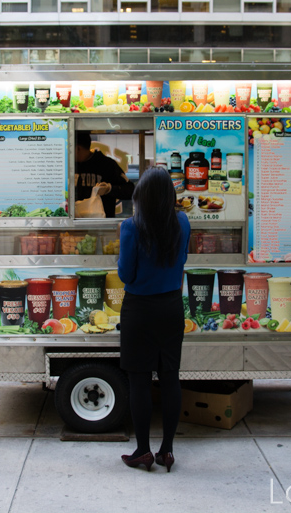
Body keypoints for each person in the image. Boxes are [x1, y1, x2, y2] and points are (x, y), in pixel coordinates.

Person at [117, 167, 191, 472]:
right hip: (172, 307)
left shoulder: (131, 227)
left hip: (139, 310)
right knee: (170, 377)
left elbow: (126, 274)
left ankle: (143, 451)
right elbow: (183, 260)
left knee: (139, 381)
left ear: (142, 198)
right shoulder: (183, 222)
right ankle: (167, 451)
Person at [74, 132, 134, 218]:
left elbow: (130, 190)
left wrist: (109, 189)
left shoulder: (106, 164)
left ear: (78, 148)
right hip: (74, 224)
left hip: (102, 225)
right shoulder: (68, 166)